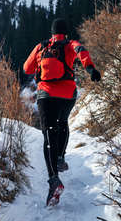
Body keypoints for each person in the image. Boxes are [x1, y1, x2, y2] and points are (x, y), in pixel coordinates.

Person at [23, 18, 101, 206]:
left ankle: (54, 180)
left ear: (52, 32)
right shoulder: (70, 44)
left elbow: (27, 68)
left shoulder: (42, 46)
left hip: (46, 94)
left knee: (49, 133)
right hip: (68, 93)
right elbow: (81, 52)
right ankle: (60, 157)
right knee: (63, 122)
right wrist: (90, 69)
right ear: (65, 32)